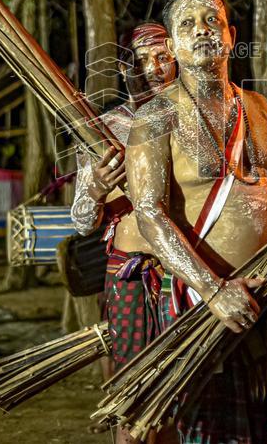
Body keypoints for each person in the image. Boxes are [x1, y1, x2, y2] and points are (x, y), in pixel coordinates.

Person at [125, 0, 267, 443]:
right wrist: (214, 288)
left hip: (265, 295)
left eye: (212, 20)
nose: (202, 30)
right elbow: (149, 213)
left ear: (231, 35)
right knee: (213, 432)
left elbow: (260, 186)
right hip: (204, 303)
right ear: (174, 44)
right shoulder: (156, 116)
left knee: (262, 429)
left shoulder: (256, 108)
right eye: (187, 24)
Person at [71, 22, 177, 444]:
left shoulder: (197, 121)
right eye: (142, 59)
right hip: (130, 273)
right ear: (125, 67)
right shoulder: (106, 130)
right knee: (133, 392)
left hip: (187, 269)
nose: (154, 67)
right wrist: (95, 188)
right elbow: (81, 220)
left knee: (185, 386)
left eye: (163, 56)